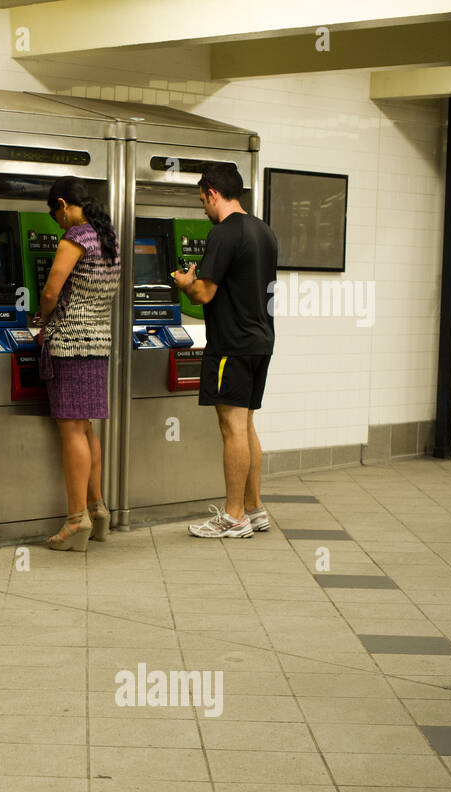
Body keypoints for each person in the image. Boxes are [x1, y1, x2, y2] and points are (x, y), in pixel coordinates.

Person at [173, 161, 278, 539]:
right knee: (246, 424)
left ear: (213, 193)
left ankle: (234, 517)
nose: (203, 208)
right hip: (260, 340)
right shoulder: (263, 230)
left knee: (231, 427)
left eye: (203, 200)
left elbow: (204, 292)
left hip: (231, 344)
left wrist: (186, 281)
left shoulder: (223, 233)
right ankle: (254, 508)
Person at [37, 177, 121, 551]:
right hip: (99, 339)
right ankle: (97, 509)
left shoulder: (75, 237)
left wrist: (40, 320)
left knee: (71, 430)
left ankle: (75, 521)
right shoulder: (108, 237)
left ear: (63, 204)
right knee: (85, 428)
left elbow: (52, 290)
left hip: (70, 340)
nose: (57, 222)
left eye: (56, 214)